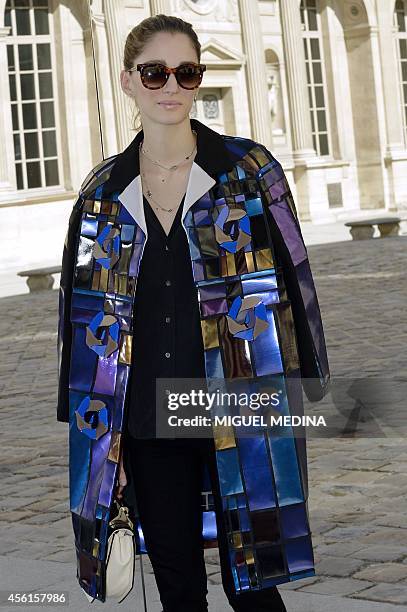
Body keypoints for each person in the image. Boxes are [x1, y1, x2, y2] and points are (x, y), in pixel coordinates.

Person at [57, 12, 330, 612]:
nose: (172, 86)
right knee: (178, 588)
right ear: (129, 81)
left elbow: (295, 274)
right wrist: (101, 438)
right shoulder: (102, 193)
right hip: (149, 416)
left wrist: (309, 382)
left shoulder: (249, 171)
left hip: (240, 399)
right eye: (155, 73)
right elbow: (79, 321)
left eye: (187, 72)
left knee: (256, 588)